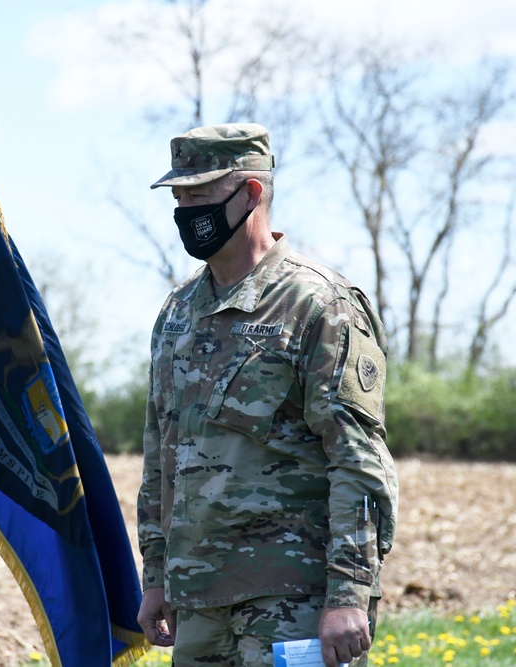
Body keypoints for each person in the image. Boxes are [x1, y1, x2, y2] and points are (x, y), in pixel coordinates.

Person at [136, 123, 399, 667]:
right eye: (179, 197)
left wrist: (348, 593)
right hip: (199, 605)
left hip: (294, 602)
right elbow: (160, 454)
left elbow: (359, 462)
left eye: (201, 195)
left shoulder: (319, 305)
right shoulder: (177, 312)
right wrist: (157, 577)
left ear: (251, 193)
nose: (185, 211)